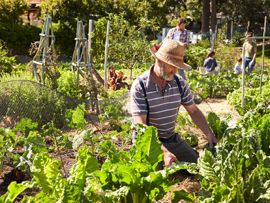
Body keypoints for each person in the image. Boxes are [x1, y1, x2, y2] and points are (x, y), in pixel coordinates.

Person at [130, 39, 218, 169]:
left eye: (177, 67)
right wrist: (164, 151)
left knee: (199, 168)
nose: (175, 71)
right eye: (172, 66)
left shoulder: (179, 83)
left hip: (171, 139)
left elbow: (193, 111)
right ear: (159, 61)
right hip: (147, 142)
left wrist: (209, 134)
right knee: (153, 177)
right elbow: (140, 124)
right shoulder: (140, 86)